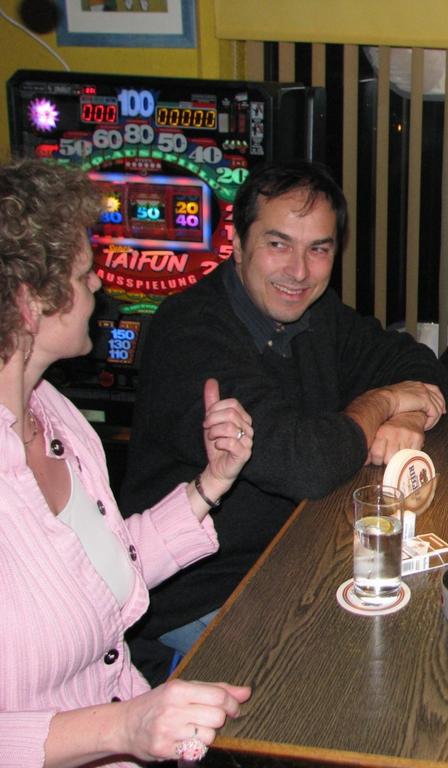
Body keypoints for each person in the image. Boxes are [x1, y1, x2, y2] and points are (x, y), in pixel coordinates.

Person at [121, 160, 447, 683]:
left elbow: (414, 360)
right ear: (236, 243)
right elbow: (305, 464)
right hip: (200, 596)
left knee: (429, 636)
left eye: (318, 249)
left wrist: (407, 410)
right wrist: (385, 401)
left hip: (296, 559)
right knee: (366, 679)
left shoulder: (316, 314)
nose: (299, 271)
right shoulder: (190, 333)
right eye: (278, 244)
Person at [0, 159, 254, 765]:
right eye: (83, 273)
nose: (98, 285)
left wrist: (209, 485)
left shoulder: (54, 415)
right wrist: (122, 729)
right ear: (30, 303)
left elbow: (101, 570)